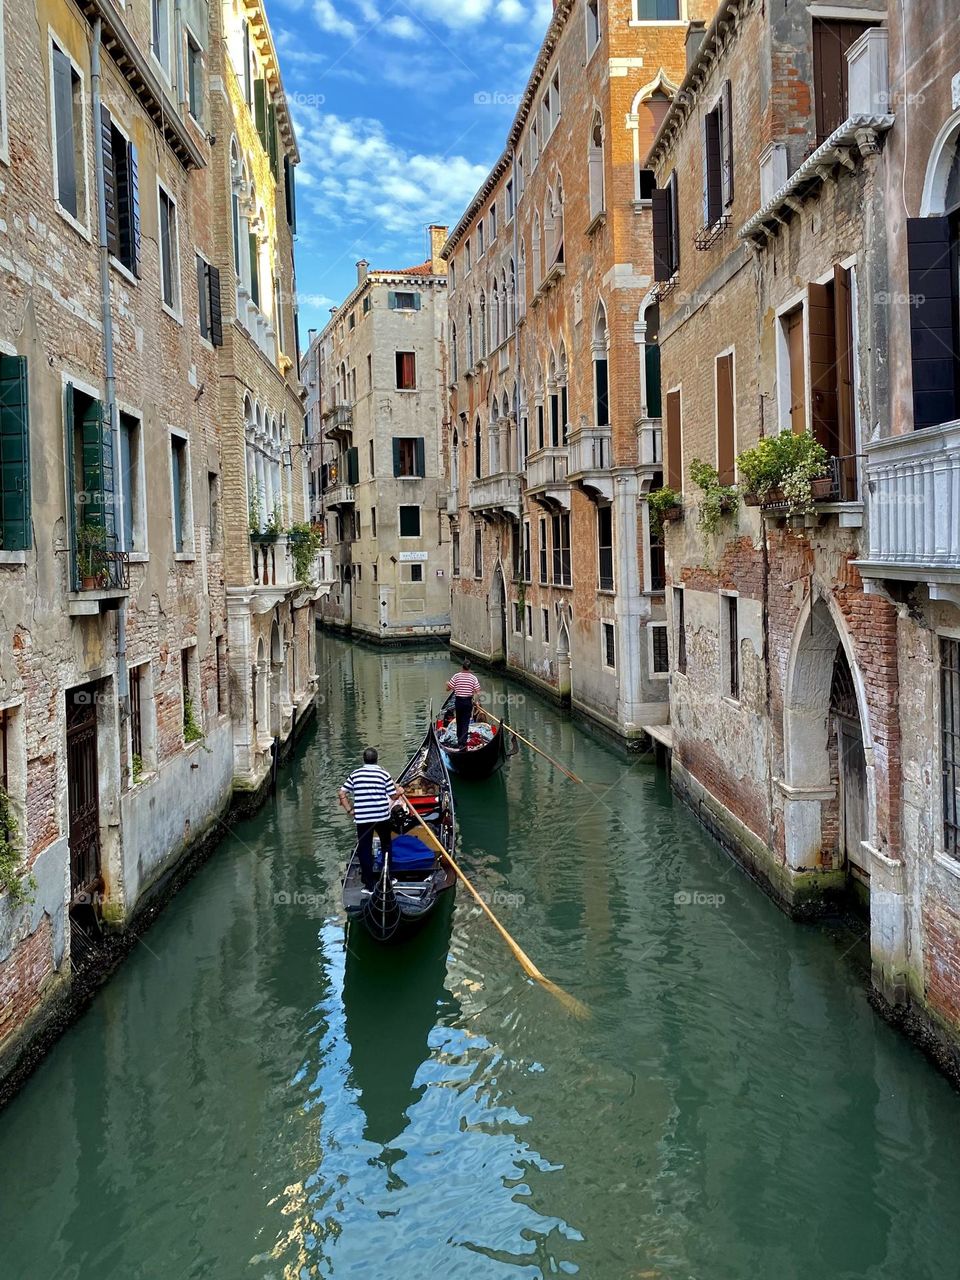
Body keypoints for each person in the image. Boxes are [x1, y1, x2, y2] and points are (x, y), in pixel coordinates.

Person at [339, 748, 403, 893]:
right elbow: (393, 797)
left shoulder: (355, 774)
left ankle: (369, 885)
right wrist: (400, 791)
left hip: (363, 819)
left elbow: (342, 792)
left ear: (364, 759)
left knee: (364, 850)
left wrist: (349, 810)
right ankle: (389, 878)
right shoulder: (383, 774)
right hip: (381, 817)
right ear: (376, 759)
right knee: (386, 846)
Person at [446, 659, 482, 749]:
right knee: (465, 722)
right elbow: (478, 691)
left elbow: (448, 688)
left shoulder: (456, 676)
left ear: (462, 667)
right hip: (467, 702)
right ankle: (463, 743)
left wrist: (447, 684)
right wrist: (476, 701)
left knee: (459, 721)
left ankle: (459, 741)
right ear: (469, 668)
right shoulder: (473, 678)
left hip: (458, 702)